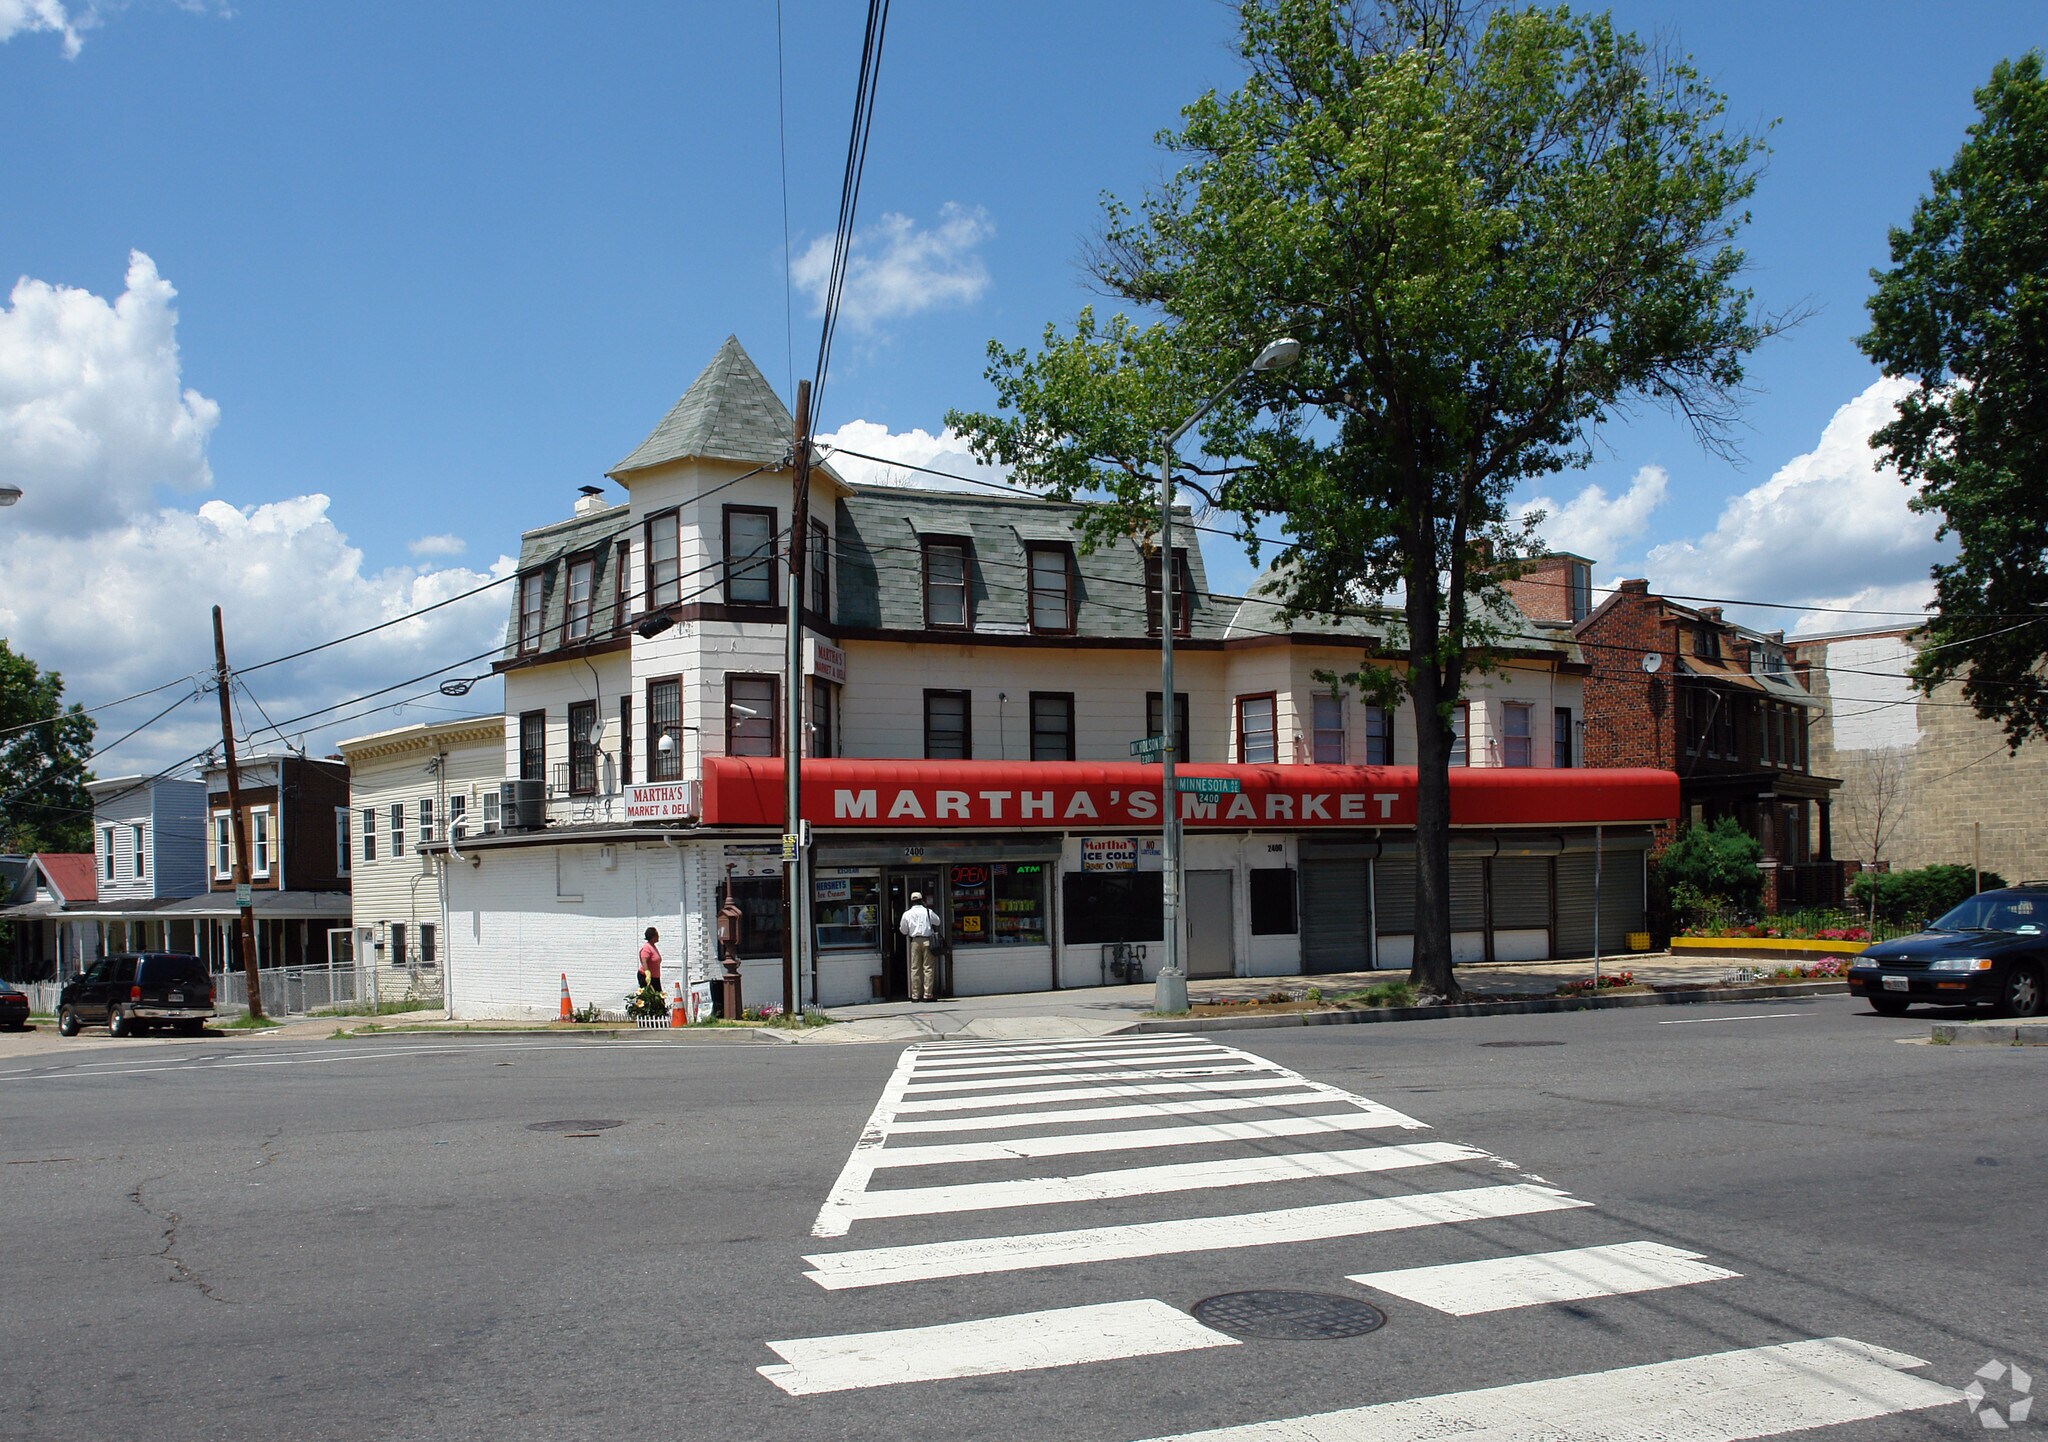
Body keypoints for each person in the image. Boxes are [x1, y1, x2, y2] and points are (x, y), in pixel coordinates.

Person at [898, 892, 938, 1003]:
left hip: (915, 941)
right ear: (922, 900)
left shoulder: (907, 913)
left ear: (911, 901)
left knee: (915, 968)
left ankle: (915, 995)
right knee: (928, 968)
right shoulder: (928, 911)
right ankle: (927, 995)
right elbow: (938, 922)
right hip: (927, 940)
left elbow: (903, 930)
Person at [637, 926, 662, 991]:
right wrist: (647, 972)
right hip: (646, 977)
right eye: (657, 935)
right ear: (653, 937)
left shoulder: (653, 946)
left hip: (655, 977)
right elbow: (644, 961)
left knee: (659, 998)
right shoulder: (646, 947)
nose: (658, 936)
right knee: (648, 998)